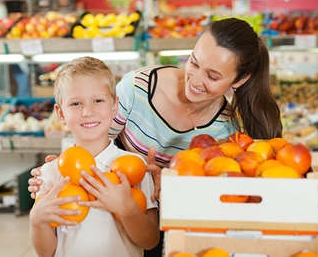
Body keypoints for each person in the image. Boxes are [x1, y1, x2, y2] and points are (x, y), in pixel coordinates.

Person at [28, 17, 282, 256]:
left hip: (168, 224)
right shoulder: (137, 89)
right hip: (127, 201)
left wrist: (173, 183)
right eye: (194, 62)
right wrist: (64, 165)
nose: (195, 79)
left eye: (213, 76)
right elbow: (95, 135)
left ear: (239, 81)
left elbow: (217, 195)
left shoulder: (229, 131)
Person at [29, 57, 159, 257]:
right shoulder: (50, 173)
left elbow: (150, 241)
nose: (88, 111)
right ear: (60, 114)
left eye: (98, 101)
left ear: (114, 106)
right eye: (75, 103)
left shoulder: (135, 167)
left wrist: (127, 210)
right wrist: (36, 221)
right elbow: (46, 253)